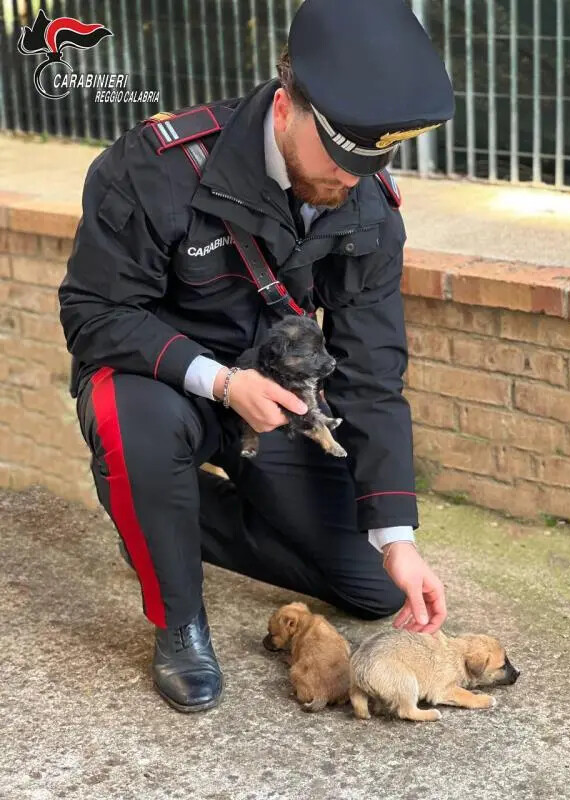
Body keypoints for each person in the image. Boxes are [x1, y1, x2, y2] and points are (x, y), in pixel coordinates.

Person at [58, 0, 455, 713]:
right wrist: (222, 380)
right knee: (131, 417)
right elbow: (95, 315)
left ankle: (164, 510)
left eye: (369, 165)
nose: (349, 180)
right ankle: (177, 618)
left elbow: (372, 373)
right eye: (337, 158)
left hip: (273, 405)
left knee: (367, 588)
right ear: (285, 108)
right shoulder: (154, 169)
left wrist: (397, 536)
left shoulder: (363, 204)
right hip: (166, 384)